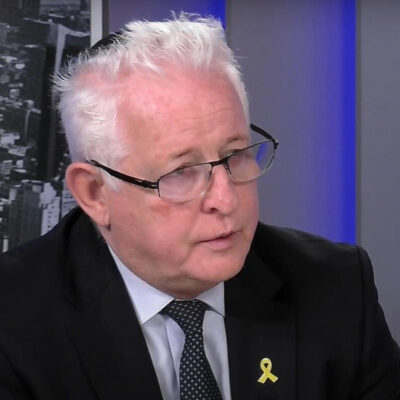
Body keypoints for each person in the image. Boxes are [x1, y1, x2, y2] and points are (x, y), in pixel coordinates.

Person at [0, 14, 399, 400]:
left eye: (236, 155)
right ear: (95, 193)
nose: (226, 199)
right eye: (180, 172)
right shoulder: (13, 325)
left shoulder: (335, 286)